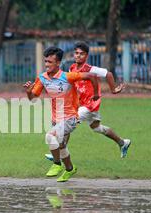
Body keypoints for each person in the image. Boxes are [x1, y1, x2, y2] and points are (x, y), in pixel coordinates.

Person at [45, 42, 130, 162]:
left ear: (87, 56)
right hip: (81, 104)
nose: (78, 56)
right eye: (76, 53)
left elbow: (108, 74)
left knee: (67, 120)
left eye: (82, 54)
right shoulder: (72, 68)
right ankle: (123, 142)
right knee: (97, 127)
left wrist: (113, 89)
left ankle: (59, 152)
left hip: (90, 104)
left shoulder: (91, 69)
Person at [24, 46, 99, 182]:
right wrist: (29, 91)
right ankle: (70, 169)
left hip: (70, 117)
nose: (46, 65)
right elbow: (33, 99)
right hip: (56, 118)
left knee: (50, 136)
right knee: (62, 144)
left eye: (50, 62)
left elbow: (92, 76)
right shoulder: (42, 78)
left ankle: (57, 164)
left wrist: (95, 94)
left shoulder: (68, 77)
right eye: (45, 61)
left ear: (58, 63)